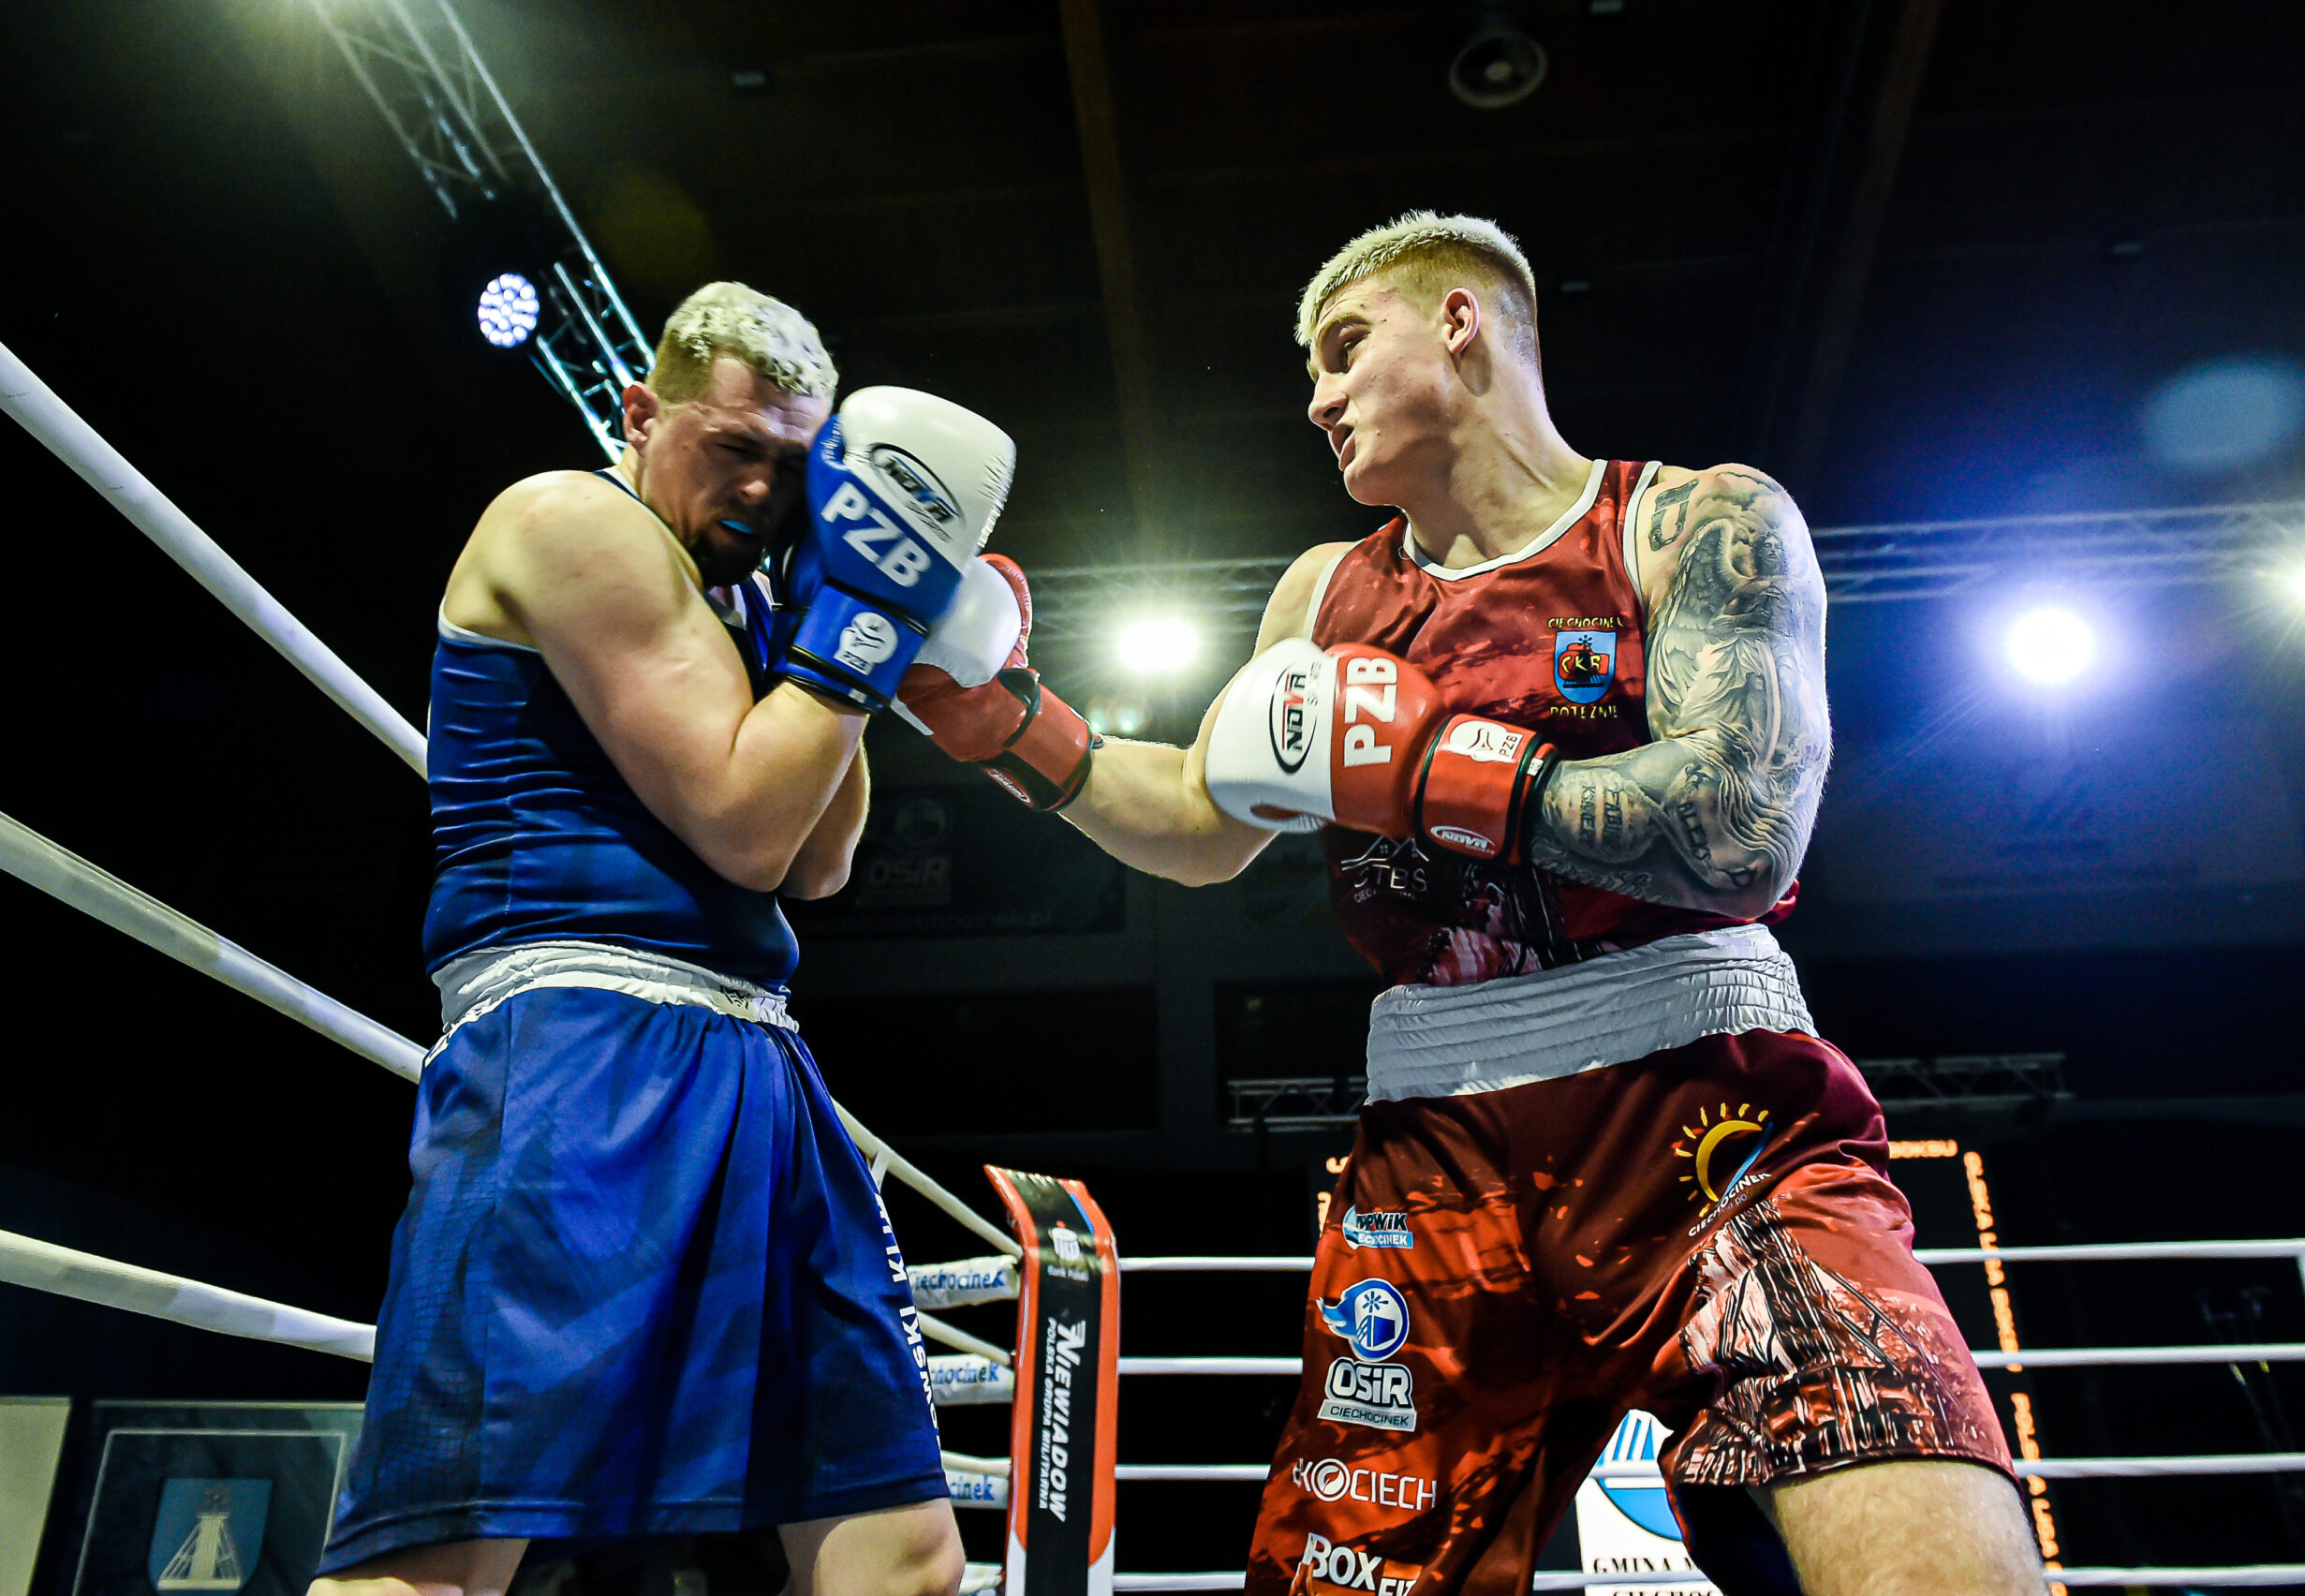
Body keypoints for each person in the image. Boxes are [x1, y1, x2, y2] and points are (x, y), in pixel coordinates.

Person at [894, 218, 2048, 1595]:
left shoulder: (1693, 521)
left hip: (1713, 1115)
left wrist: (1440, 768)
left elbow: (1744, 830)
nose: (1316, 399)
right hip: (1432, 1158)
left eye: (1343, 349)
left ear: (1458, 322)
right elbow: (1203, 824)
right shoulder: (1325, 594)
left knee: (1935, 1558)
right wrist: (1008, 722)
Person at [313, 281, 1020, 1596]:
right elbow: (749, 828)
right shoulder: (569, 519)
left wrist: (842, 608)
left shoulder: (749, 606)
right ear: (642, 414)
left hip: (755, 1057)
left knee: (904, 1555)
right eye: (734, 448)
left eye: (796, 468)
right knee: (438, 1566)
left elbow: (819, 861)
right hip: (580, 1048)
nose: (762, 490)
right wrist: (863, 624)